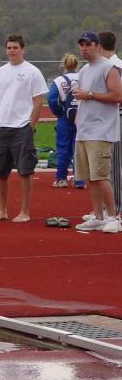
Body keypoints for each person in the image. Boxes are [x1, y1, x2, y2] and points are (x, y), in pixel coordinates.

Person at [0, 34, 48, 223]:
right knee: (0, 172)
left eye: (15, 47)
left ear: (23, 49)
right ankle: (3, 210)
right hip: (1, 127)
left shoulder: (32, 72)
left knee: (24, 170)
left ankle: (24, 211)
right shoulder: (0, 72)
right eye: (9, 48)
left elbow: (38, 101)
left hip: (22, 127)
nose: (12, 51)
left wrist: (31, 125)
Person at [72, 31, 122, 233]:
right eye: (81, 44)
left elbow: (118, 95)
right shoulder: (84, 71)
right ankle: (98, 215)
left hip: (101, 130)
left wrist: (90, 94)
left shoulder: (109, 67)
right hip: (84, 130)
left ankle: (113, 216)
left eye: (88, 44)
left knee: (102, 176)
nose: (84, 48)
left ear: (97, 45)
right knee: (90, 177)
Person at [47, 54, 84, 188]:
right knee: (79, 149)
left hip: (65, 117)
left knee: (63, 148)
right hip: (82, 117)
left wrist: (59, 112)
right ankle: (80, 180)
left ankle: (61, 179)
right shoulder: (83, 77)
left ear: (64, 65)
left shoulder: (58, 81)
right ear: (77, 65)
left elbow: (52, 99)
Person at [99, 30, 122, 221]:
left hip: (116, 119)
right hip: (106, 120)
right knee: (104, 166)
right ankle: (105, 210)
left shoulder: (114, 67)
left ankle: (114, 210)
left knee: (114, 165)